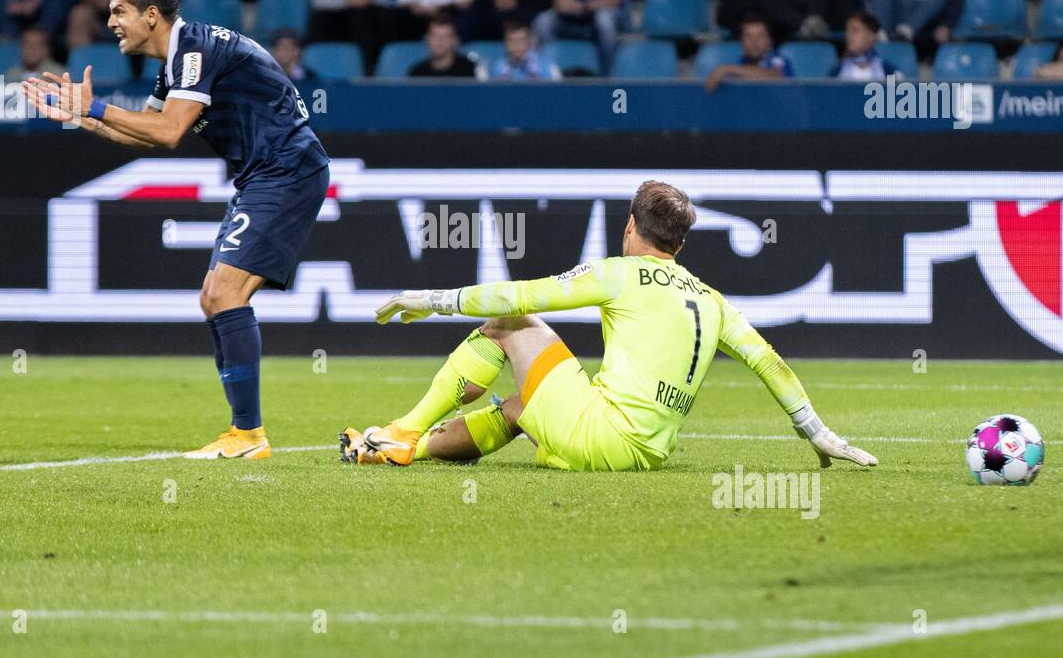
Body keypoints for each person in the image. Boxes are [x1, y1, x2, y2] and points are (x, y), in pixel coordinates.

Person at [340, 181, 877, 472]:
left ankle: (402, 430)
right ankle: (410, 450)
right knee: (522, 406)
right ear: (681, 245)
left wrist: (434, 299)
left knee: (509, 322)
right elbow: (768, 361)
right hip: (645, 455)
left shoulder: (620, 274)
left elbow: (518, 295)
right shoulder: (712, 300)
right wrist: (815, 431)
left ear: (629, 226)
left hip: (600, 434)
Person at [23, 0, 331, 461]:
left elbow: (168, 131)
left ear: (151, 14)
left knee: (223, 292)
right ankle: (243, 434)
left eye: (119, 11)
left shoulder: (194, 49)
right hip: (265, 175)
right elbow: (143, 131)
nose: (111, 23)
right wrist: (81, 116)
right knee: (215, 297)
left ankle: (248, 436)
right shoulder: (177, 64)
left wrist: (97, 106)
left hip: (286, 170)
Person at [704, 15, 793, 93]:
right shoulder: (738, 62)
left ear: (769, 40)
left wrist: (728, 69)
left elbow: (775, 77)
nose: (754, 41)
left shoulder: (777, 59)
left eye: (760, 36)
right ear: (741, 41)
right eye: (748, 36)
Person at [830, 11, 899, 80]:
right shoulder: (836, 72)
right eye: (847, 31)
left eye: (855, 30)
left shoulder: (888, 71)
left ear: (871, 35)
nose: (848, 35)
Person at [408, 14, 482, 78]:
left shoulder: (469, 69)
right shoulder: (417, 73)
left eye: (446, 36)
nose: (440, 41)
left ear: (454, 40)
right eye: (435, 36)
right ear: (427, 39)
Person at [491, 18, 560, 79]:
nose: (516, 45)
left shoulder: (547, 66)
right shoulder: (497, 67)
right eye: (511, 40)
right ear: (506, 42)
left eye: (521, 40)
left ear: (529, 41)